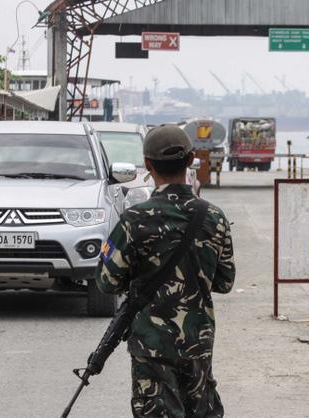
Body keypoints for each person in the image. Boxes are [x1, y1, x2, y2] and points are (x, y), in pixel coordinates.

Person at [95, 124, 236, 417]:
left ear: (147, 165)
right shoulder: (213, 217)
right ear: (190, 160)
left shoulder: (134, 220)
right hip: (198, 343)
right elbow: (224, 281)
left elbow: (107, 282)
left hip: (152, 346)